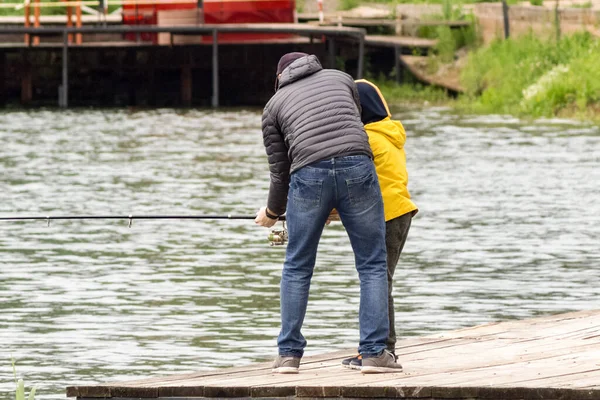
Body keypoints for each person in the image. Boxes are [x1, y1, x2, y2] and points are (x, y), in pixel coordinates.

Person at [254, 52, 402, 374]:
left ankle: (289, 355)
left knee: (297, 266)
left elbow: (280, 173)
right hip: (358, 168)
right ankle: (375, 352)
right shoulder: (342, 79)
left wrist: (272, 211)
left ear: (279, 78)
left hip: (308, 175)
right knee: (372, 264)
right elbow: (351, 127)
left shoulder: (274, 106)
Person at [340, 79, 418, 370]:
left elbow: (353, 181)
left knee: (376, 281)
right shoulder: (388, 133)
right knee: (382, 281)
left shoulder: (367, 139)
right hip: (401, 213)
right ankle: (382, 349)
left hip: (384, 215)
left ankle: (379, 350)